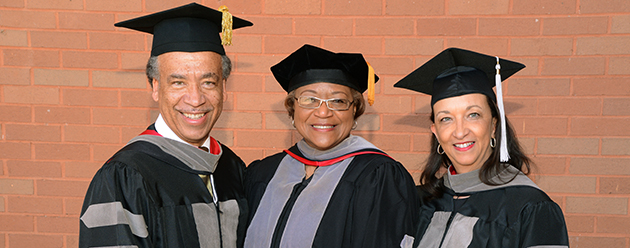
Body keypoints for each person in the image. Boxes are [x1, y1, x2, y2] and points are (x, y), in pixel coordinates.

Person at [79, 3, 252, 248]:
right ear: (155, 87)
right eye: (178, 83)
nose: (195, 99)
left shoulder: (232, 169)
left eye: (208, 83)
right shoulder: (125, 176)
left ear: (224, 88)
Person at [243, 44, 419, 248]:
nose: (324, 112)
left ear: (354, 111)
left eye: (338, 101)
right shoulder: (263, 173)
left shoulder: (378, 177)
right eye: (310, 99)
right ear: (292, 111)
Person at [394, 47, 569, 248]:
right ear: (435, 131)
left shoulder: (530, 208)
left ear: (494, 124)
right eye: (446, 118)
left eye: (473, 115)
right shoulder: (419, 202)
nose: (460, 132)